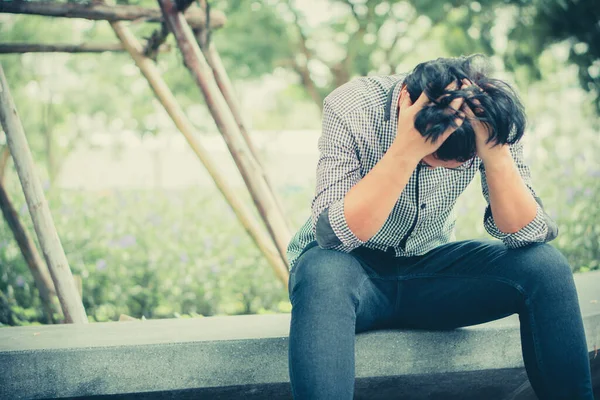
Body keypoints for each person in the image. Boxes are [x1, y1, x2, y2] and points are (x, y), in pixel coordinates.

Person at [286, 54, 594, 400]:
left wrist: (494, 152)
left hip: (431, 275)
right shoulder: (353, 105)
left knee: (546, 266)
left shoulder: (490, 113)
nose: (436, 171)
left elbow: (527, 232)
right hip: (349, 277)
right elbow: (333, 235)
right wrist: (406, 150)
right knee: (321, 268)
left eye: (452, 166)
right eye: (432, 160)